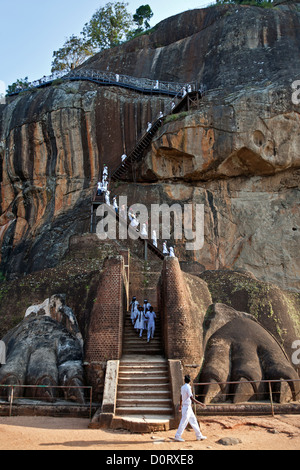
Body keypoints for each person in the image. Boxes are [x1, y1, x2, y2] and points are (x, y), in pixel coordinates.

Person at [174, 375, 207, 442]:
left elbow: (181, 396)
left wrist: (180, 405)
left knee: (193, 420)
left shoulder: (183, 387)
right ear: (190, 380)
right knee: (184, 422)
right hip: (186, 407)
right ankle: (177, 436)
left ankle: (199, 435)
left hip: (186, 407)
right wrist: (201, 403)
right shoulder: (188, 387)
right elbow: (191, 398)